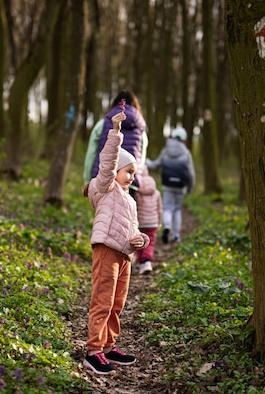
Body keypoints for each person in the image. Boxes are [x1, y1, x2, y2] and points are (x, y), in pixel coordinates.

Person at [81, 110, 150, 375]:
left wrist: (140, 239)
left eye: (134, 172)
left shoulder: (129, 199)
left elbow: (133, 229)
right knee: (103, 300)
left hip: (124, 256)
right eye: (128, 171)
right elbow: (108, 162)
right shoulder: (104, 187)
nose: (131, 176)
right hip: (107, 250)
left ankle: (109, 346)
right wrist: (116, 133)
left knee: (117, 302)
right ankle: (93, 350)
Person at [83, 90, 148, 198]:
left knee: (103, 211)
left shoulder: (102, 124)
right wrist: (136, 175)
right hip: (129, 182)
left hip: (103, 179)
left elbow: (92, 151)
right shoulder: (141, 129)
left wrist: (87, 177)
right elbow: (142, 157)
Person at [146, 126, 195, 244]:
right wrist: (190, 187)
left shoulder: (166, 150)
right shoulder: (186, 152)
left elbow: (155, 165)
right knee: (177, 209)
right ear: (184, 139)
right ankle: (176, 236)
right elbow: (191, 173)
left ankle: (167, 227)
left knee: (167, 208)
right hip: (180, 186)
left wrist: (146, 161)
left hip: (167, 184)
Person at [134, 167, 162, 275]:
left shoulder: (137, 193)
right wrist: (159, 221)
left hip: (141, 222)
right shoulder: (157, 193)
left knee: (140, 242)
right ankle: (146, 262)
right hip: (153, 223)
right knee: (150, 243)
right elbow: (160, 209)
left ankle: (142, 262)